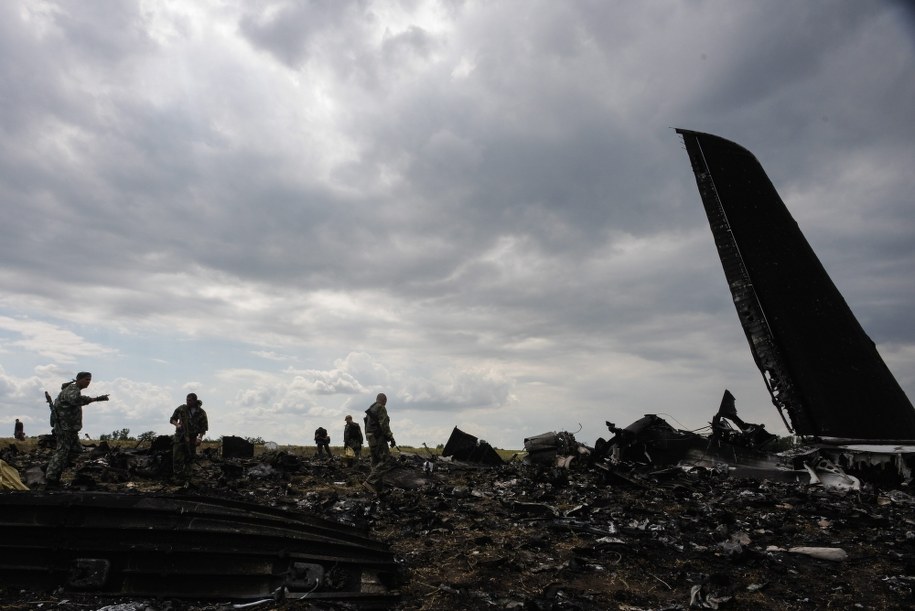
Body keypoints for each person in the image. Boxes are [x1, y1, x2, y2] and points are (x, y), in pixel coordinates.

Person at [44, 372, 109, 488]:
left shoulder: (73, 389)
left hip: (71, 429)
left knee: (76, 452)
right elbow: (75, 400)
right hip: (65, 428)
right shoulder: (72, 389)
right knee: (62, 453)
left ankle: (64, 472)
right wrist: (95, 399)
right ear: (78, 380)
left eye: (89, 380)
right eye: (86, 379)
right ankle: (51, 479)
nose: (88, 382)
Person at [170, 393, 208, 484]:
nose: (187, 402)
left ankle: (188, 478)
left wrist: (200, 438)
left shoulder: (201, 412)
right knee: (177, 458)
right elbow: (172, 419)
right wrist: (177, 424)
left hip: (192, 438)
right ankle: (178, 478)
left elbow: (203, 427)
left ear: (195, 401)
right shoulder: (181, 409)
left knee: (190, 458)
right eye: (187, 400)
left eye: (190, 400)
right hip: (180, 437)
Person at [363, 393, 396, 494]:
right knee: (386, 461)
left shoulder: (371, 409)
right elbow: (384, 424)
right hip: (378, 438)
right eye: (385, 401)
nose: (385, 403)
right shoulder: (380, 408)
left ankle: (377, 488)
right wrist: (390, 437)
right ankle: (370, 481)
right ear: (383, 400)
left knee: (376, 462)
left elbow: (366, 424)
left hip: (371, 437)